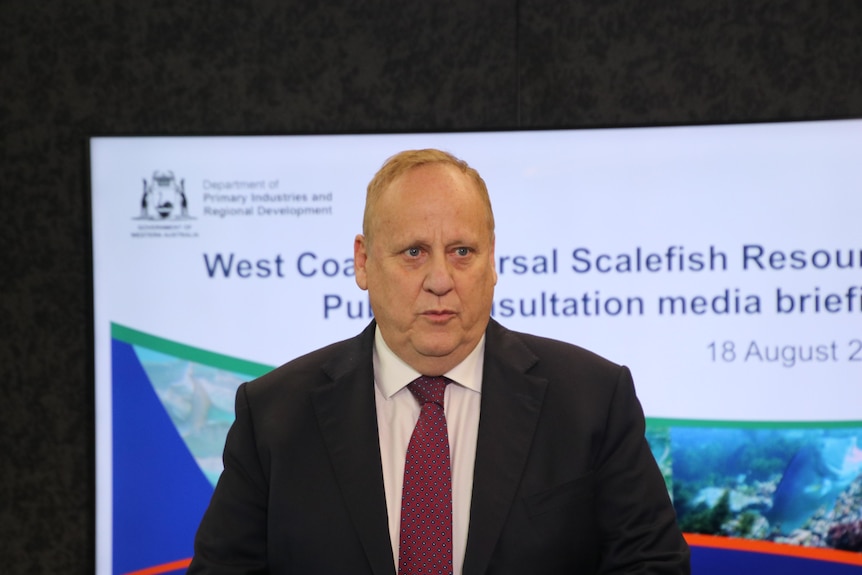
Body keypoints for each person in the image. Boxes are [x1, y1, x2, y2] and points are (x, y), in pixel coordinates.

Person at [188, 149, 690, 574]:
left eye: (462, 251)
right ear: (363, 262)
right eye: (412, 252)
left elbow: (654, 566)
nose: (440, 279)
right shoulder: (275, 416)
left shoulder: (592, 401)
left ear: (492, 261)